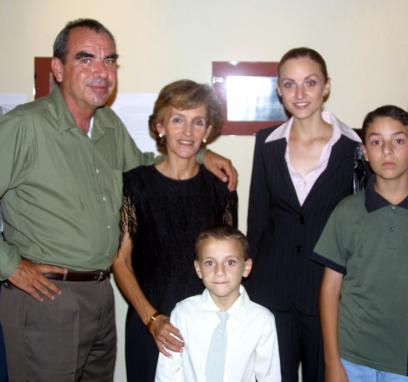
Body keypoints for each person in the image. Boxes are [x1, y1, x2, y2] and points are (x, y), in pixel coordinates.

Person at [0, 19, 236, 382]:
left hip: (100, 297)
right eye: (86, 59)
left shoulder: (108, 126)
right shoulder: (25, 126)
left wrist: (201, 156)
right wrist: (10, 265)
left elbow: (145, 169)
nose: (101, 71)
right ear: (58, 69)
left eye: (109, 60)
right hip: (46, 296)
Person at [245, 47, 408, 382]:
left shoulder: (354, 144)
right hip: (273, 293)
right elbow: (257, 218)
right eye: (290, 84)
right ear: (278, 89)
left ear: (326, 86)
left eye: (310, 82)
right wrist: (248, 288)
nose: (300, 94)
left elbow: (386, 189)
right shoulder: (265, 142)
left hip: (329, 298)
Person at [112, 79, 238, 381]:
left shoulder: (221, 188)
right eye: (177, 120)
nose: (187, 132)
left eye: (198, 123)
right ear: (160, 126)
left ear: (208, 132)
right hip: (149, 322)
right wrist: (152, 319)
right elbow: (121, 261)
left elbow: (227, 263)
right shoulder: (134, 184)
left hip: (208, 324)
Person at [314, 105, 408, 382]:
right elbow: (330, 289)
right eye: (376, 142)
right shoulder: (347, 211)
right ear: (365, 152)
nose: (387, 150)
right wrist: (332, 361)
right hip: (350, 359)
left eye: (398, 140)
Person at [155, 225, 281, 382]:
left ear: (246, 267)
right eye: (209, 263)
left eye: (230, 262)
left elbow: (270, 377)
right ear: (198, 268)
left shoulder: (262, 320)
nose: (219, 271)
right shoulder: (183, 313)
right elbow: (167, 374)